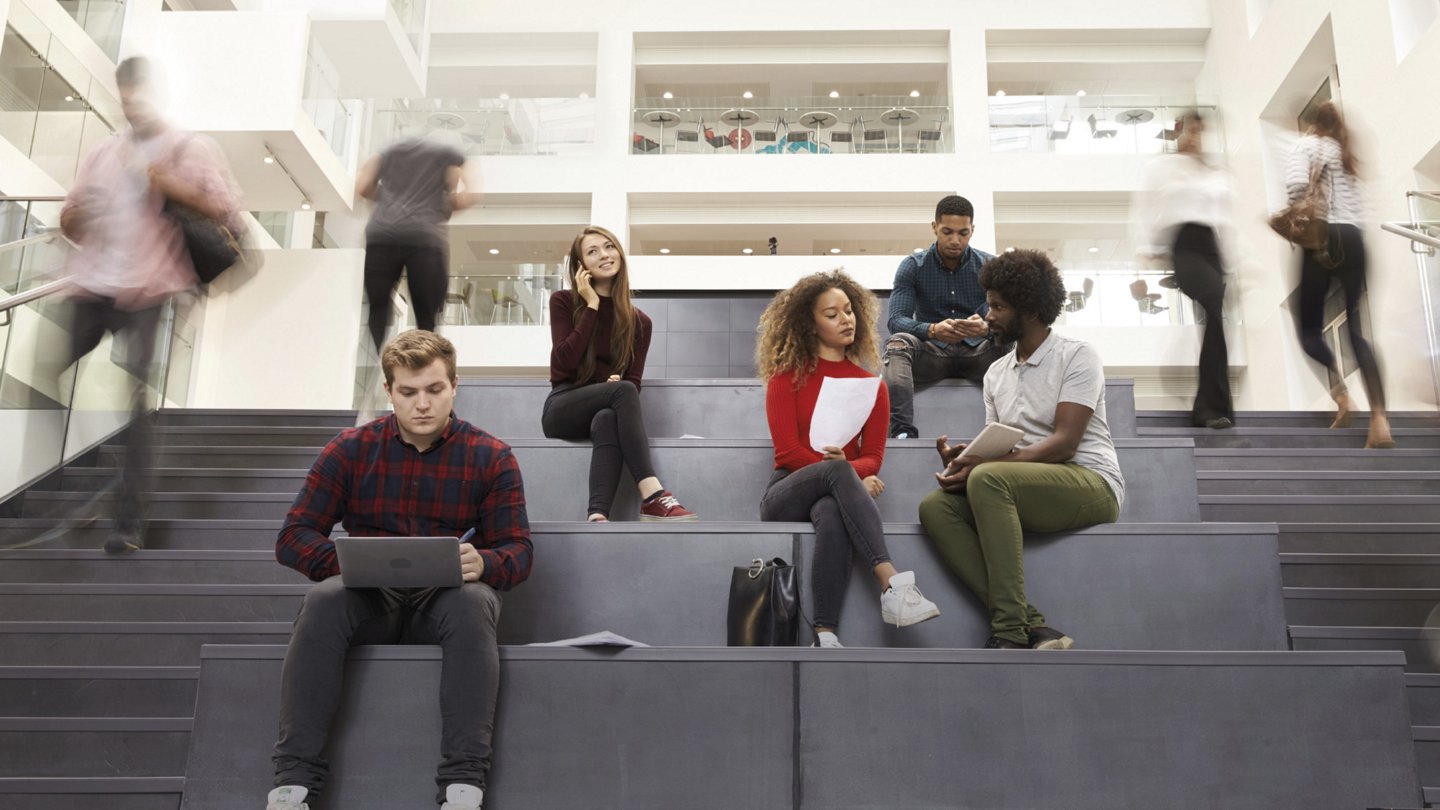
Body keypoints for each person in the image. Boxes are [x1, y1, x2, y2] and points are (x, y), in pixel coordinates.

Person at [267, 330, 532, 810]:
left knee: (474, 602)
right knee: (324, 599)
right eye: (408, 393)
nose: (423, 404)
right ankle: (293, 787)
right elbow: (292, 538)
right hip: (369, 600)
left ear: (455, 385)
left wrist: (486, 561)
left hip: (446, 600)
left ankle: (462, 787)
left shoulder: (491, 455)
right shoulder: (348, 450)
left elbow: (518, 551)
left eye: (435, 390)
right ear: (388, 392)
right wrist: (350, 565)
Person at [58, 55, 241, 553]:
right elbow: (68, 219)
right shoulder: (102, 153)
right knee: (51, 367)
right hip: (90, 283)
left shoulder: (189, 146)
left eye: (140, 94)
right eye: (125, 96)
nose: (132, 104)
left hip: (148, 288)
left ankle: (127, 520)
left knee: (135, 401)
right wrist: (80, 215)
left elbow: (225, 208)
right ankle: (89, 481)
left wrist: (166, 182)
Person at [917, 250, 1125, 650]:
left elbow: (1065, 443)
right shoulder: (996, 373)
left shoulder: (1077, 355)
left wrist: (984, 467)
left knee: (990, 477)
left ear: (1029, 310)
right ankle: (1033, 625)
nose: (988, 315)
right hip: (1024, 485)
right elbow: (1004, 447)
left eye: (998, 306)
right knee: (936, 507)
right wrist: (966, 463)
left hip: (1091, 483)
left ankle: (1009, 631)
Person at [756, 269, 940, 648]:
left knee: (831, 511)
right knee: (835, 473)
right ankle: (890, 582)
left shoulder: (873, 387)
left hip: (835, 495)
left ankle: (825, 633)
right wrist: (843, 473)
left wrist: (845, 475)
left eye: (849, 310)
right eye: (832, 313)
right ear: (809, 325)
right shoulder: (785, 378)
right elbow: (788, 453)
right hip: (784, 493)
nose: (846, 319)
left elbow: (873, 458)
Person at [542, 226, 696, 522]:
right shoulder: (563, 301)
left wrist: (611, 385)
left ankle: (597, 514)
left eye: (609, 246)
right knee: (621, 390)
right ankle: (652, 494)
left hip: (603, 408)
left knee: (609, 416)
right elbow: (563, 363)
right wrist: (592, 306)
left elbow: (633, 383)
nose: (604, 255)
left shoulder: (640, 322)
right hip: (562, 406)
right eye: (592, 251)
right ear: (580, 267)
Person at [1284, 100, 1393, 448]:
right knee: (1357, 330)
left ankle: (1341, 394)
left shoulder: (1305, 146)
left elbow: (1296, 188)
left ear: (1312, 123)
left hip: (1323, 239)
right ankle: (1380, 421)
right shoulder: (1347, 154)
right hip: (1356, 240)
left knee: (1308, 328)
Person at [1135, 110, 1236, 429]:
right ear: (1179, 131)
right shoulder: (1163, 168)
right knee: (1211, 303)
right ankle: (1209, 406)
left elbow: (1225, 219)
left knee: (1216, 319)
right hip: (1184, 245)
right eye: (1191, 131)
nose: (1196, 137)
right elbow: (1144, 208)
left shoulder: (1214, 173)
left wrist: (1235, 261)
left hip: (1212, 248)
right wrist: (1146, 247)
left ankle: (1212, 409)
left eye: (1201, 132)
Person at [883, 194, 1013, 439]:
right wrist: (932, 330)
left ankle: (1011, 430)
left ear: (972, 230)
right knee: (897, 343)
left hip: (980, 355)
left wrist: (986, 327)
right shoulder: (913, 266)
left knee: (1013, 343)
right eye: (947, 232)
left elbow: (1009, 319)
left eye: (963, 233)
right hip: (933, 354)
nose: (955, 240)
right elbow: (896, 320)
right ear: (935, 227)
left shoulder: (990, 266)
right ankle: (902, 432)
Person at [355, 136, 480, 353]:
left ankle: (380, 368)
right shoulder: (449, 151)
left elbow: (363, 187)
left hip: (382, 234)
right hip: (426, 238)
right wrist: (441, 205)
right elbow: (472, 194)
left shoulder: (387, 148)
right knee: (427, 318)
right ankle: (427, 369)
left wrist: (388, 200)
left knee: (378, 309)